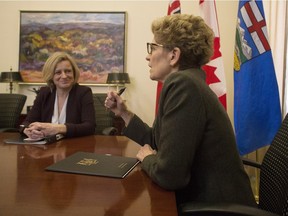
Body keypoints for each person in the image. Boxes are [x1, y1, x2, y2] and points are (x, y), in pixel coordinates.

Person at [105, 14, 256, 213]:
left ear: (174, 55)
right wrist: (124, 113)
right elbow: (157, 140)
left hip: (216, 207)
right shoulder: (188, 83)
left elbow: (169, 176)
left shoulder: (183, 85)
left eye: (153, 47)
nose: (148, 56)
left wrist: (149, 158)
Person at [22, 52, 96, 139]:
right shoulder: (44, 93)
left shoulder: (83, 92)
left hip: (74, 146)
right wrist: (27, 130)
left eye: (68, 71)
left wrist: (57, 128)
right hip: (46, 148)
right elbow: (27, 122)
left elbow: (89, 127)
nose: (64, 76)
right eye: (58, 72)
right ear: (51, 76)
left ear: (74, 73)